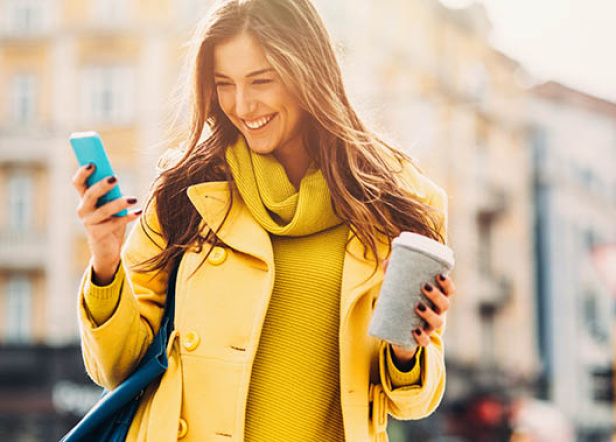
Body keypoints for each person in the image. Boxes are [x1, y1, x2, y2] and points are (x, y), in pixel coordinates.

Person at [71, 0, 454, 440]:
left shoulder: (397, 200)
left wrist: (409, 343)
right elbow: (113, 367)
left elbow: (411, 402)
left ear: (309, 72)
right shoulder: (186, 191)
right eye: (223, 84)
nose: (242, 104)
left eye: (261, 81)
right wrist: (105, 259)